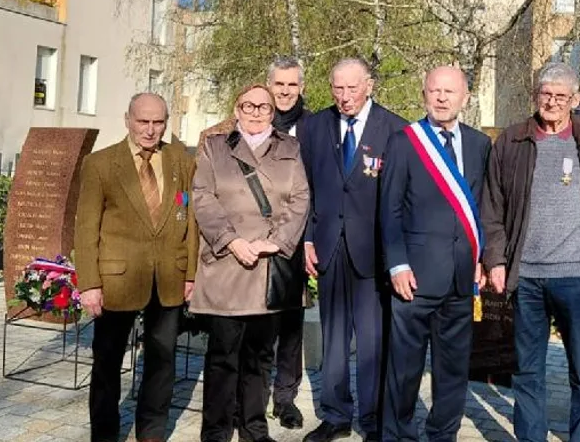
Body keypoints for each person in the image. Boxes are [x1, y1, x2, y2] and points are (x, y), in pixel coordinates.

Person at [480, 62, 580, 442]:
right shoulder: (511, 141)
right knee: (527, 370)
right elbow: (491, 207)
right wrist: (494, 258)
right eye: (547, 94)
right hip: (525, 277)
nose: (553, 102)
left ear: (575, 99)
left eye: (562, 96)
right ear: (535, 95)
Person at [73, 93, 198, 442]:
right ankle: (105, 433)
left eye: (158, 122)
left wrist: (190, 274)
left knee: (162, 362)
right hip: (116, 281)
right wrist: (89, 284)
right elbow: (86, 229)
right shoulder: (100, 164)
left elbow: (191, 219)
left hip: (168, 278)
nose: (150, 130)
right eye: (143, 121)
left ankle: (152, 432)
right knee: (107, 364)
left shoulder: (181, 161)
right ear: (127, 119)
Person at [189, 83, 310, 442]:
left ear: (273, 113)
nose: (256, 113)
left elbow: (301, 198)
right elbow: (203, 197)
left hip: (269, 266)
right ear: (236, 109)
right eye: (248, 106)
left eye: (264, 107)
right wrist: (233, 241)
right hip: (228, 264)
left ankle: (253, 429)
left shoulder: (290, 148)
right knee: (223, 355)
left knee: (260, 356)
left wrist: (273, 243)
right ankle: (216, 431)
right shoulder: (214, 147)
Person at [381, 66, 491, 441]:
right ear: (424, 94)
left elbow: (483, 209)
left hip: (461, 279)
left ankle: (443, 434)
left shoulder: (479, 145)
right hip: (414, 278)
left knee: (453, 370)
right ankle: (398, 435)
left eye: (449, 91)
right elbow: (389, 209)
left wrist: (482, 259)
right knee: (404, 370)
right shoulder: (404, 141)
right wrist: (396, 264)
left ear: (465, 98)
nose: (441, 98)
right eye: (434, 91)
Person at [300, 57, 406, 442]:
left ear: (370, 86)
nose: (343, 97)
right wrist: (308, 238)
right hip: (328, 246)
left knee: (373, 339)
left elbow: (399, 198)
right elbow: (305, 189)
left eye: (352, 88)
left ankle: (374, 419)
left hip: (373, 252)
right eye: (337, 89)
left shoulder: (395, 130)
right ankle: (335, 415)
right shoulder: (313, 126)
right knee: (333, 336)